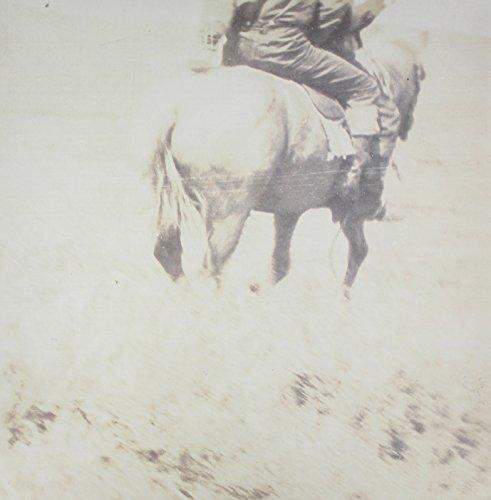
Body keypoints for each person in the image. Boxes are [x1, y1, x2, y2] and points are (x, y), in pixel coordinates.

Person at [223, 0, 400, 218]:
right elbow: (328, 21)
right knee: (366, 88)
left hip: (242, 46)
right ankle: (357, 182)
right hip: (285, 49)